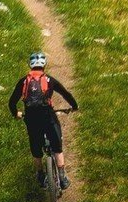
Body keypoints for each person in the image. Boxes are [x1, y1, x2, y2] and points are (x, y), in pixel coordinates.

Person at [8, 52, 78, 190]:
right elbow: (66, 94)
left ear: (30, 66)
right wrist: (74, 106)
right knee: (57, 146)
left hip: (31, 119)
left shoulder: (23, 82)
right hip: (48, 117)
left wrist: (16, 113)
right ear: (44, 65)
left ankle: (40, 174)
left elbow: (11, 102)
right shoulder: (49, 80)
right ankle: (63, 177)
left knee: (36, 147)